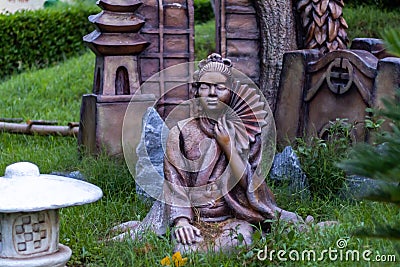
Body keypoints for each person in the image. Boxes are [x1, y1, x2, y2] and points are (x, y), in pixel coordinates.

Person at [162, 53, 301, 252]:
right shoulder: (181, 132)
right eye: (205, 86)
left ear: (232, 92)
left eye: (219, 87)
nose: (212, 93)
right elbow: (175, 182)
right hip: (194, 217)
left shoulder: (246, 131)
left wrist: (228, 146)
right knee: (184, 250)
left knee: (238, 242)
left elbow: (251, 184)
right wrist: (181, 221)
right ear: (195, 91)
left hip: (232, 216)